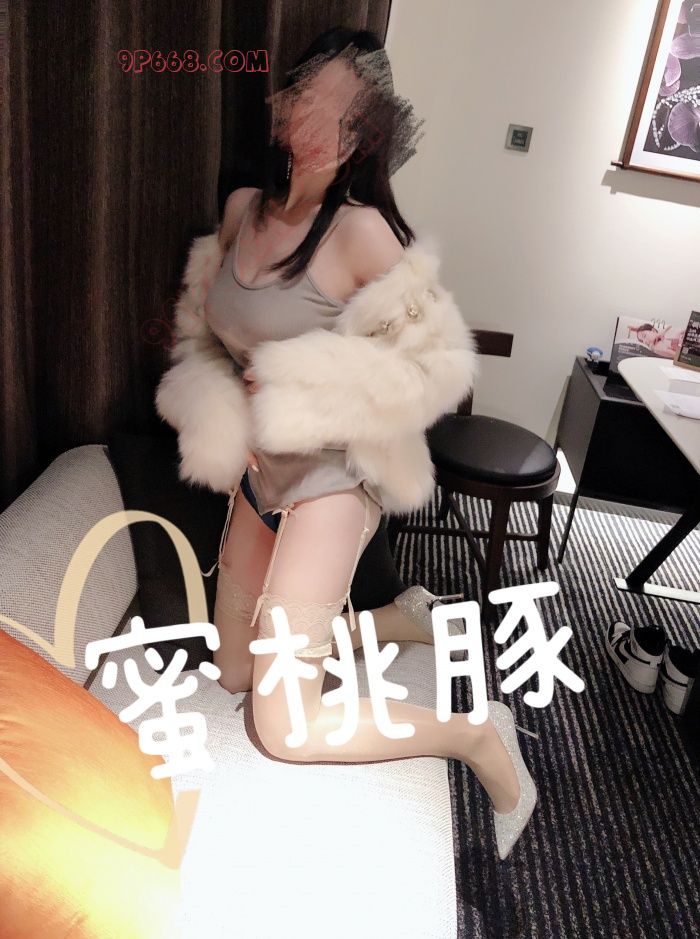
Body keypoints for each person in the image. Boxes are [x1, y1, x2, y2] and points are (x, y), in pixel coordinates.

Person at [155, 26, 537, 861]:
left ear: (364, 133)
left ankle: (476, 734)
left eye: (337, 110)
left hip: (330, 483)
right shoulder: (243, 210)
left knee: (284, 726)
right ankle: (399, 619)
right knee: (233, 671)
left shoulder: (361, 232)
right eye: (304, 96)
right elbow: (207, 329)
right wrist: (225, 401)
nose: (310, 118)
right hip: (259, 478)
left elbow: (434, 370)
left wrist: (299, 392)